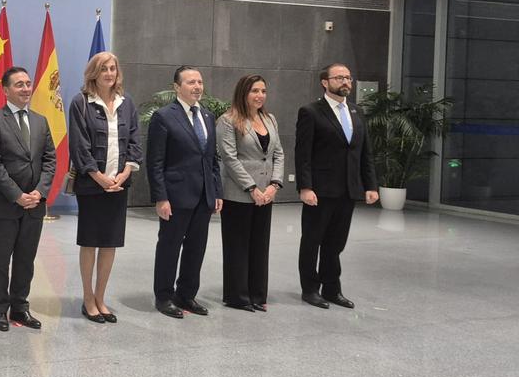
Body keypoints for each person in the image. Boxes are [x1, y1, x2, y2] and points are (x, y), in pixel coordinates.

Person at [295, 63, 378, 310]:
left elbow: (365, 152)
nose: (345, 82)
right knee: (312, 242)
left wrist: (370, 185)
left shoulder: (356, 111)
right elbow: (303, 154)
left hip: (348, 190)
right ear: (325, 82)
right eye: (339, 77)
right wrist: (305, 187)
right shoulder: (311, 111)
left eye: (348, 78)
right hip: (320, 190)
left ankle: (332, 289)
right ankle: (310, 289)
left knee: (335, 244)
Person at [66, 52, 142, 324]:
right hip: (92, 185)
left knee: (110, 243)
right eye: (103, 69)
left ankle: (100, 297)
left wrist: (124, 174)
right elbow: (79, 146)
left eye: (113, 68)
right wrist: (98, 177)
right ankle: (88, 299)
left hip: (118, 185)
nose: (109, 73)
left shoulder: (126, 102)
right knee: (90, 242)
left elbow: (134, 140)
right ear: (93, 74)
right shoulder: (81, 103)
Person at [0, 67, 57, 332]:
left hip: (34, 205)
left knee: (26, 260)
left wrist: (40, 192)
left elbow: (50, 160)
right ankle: (0, 310)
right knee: (1, 261)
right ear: (5, 90)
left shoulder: (41, 121)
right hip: (4, 205)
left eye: (28, 83)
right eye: (19, 84)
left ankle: (20, 308)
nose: (26, 89)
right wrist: (17, 195)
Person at [146, 65, 222, 319]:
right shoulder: (164, 117)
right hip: (176, 195)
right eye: (191, 82)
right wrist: (161, 197)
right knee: (169, 247)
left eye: (199, 82)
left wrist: (217, 191)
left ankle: (186, 295)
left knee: (196, 248)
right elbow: (155, 162)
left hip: (203, 196)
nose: (197, 86)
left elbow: (212, 158)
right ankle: (164, 296)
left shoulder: (207, 116)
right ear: (177, 87)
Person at [216, 74, 284, 312]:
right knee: (237, 246)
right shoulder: (228, 120)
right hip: (239, 193)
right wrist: (252, 188)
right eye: (255, 91)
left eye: (263, 91)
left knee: (260, 245)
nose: (260, 95)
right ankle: (237, 296)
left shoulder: (270, 119)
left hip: (266, 193)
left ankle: (257, 294)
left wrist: (274, 185)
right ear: (243, 93)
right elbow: (229, 158)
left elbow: (278, 154)